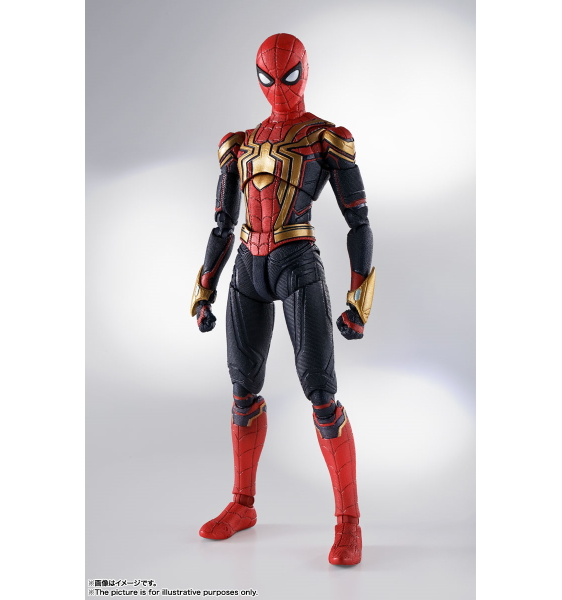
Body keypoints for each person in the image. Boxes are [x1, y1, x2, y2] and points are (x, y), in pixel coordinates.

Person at [190, 33, 375, 566]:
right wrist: (204, 289)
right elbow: (222, 225)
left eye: (288, 75)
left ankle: (349, 523)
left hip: (297, 264)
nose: (278, 86)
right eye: (267, 77)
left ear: (304, 71)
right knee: (242, 389)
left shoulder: (325, 138)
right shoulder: (240, 144)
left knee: (321, 393)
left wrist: (359, 301)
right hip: (248, 267)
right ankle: (242, 504)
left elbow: (359, 221)